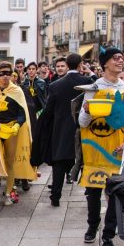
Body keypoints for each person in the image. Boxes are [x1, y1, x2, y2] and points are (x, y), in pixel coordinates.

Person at [76, 48, 124, 246]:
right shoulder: (92, 88)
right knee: (93, 192)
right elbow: (82, 123)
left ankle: (108, 236)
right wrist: (85, 111)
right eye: (115, 58)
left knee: (116, 193)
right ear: (105, 64)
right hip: (94, 148)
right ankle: (93, 225)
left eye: (122, 58)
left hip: (117, 150)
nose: (120, 61)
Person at [40, 53, 91, 205]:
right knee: (85, 160)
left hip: (61, 128)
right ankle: (89, 193)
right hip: (83, 127)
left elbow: (48, 111)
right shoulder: (87, 82)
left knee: (59, 164)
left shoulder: (56, 85)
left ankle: (55, 196)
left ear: (67, 65)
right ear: (80, 64)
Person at [0, 61, 33, 207]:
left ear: (12, 75)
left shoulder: (16, 91)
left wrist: (17, 125)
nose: (5, 77)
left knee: (9, 162)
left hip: (11, 130)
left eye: (8, 73)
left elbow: (22, 112)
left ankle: (9, 192)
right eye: (2, 74)